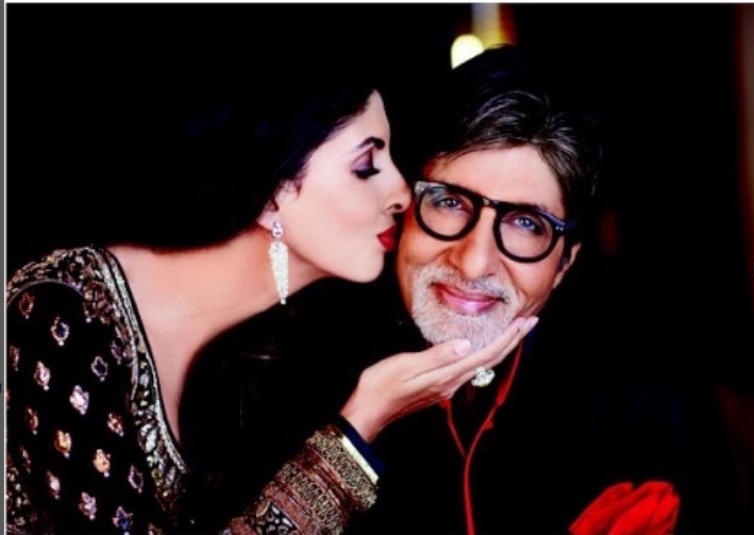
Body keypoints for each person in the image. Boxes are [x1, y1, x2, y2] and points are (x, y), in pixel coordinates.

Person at [5, 39, 537, 534]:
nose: (401, 193)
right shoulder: (57, 316)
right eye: (366, 166)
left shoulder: (267, 349)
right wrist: (361, 423)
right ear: (273, 188)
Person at [304, 44, 742, 534]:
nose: (474, 262)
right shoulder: (299, 367)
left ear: (564, 262)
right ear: (403, 207)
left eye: (526, 224)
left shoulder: (649, 405)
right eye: (449, 202)